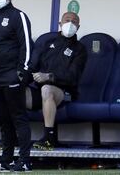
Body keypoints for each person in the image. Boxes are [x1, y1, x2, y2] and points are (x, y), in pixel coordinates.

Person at [0, 0, 33, 172]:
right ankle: (5, 161)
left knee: (18, 118)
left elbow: (26, 45)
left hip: (12, 76)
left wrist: (22, 72)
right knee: (3, 121)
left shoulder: (18, 15)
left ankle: (25, 160)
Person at [28, 11, 87, 150]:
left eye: (74, 21)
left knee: (47, 89)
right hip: (39, 90)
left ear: (78, 27)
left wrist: (49, 76)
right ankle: (13, 137)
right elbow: (32, 66)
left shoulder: (80, 49)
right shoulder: (47, 43)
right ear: (60, 24)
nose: (70, 24)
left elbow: (73, 77)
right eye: (67, 20)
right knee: (13, 90)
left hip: (64, 93)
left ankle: (49, 138)